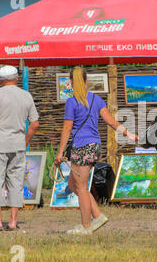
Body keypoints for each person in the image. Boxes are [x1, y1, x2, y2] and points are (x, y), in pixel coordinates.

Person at [54, 66, 138, 235]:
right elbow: (111, 122)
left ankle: (86, 227)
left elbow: (67, 128)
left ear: (70, 82)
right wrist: (128, 133)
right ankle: (97, 216)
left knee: (82, 188)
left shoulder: (71, 102)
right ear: (86, 81)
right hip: (94, 146)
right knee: (74, 184)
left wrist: (60, 152)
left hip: (81, 147)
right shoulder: (96, 100)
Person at [0, 65, 40, 231]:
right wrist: (25, 141)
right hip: (18, 144)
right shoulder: (26, 95)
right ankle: (13, 222)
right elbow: (35, 124)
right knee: (16, 182)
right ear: (17, 78)